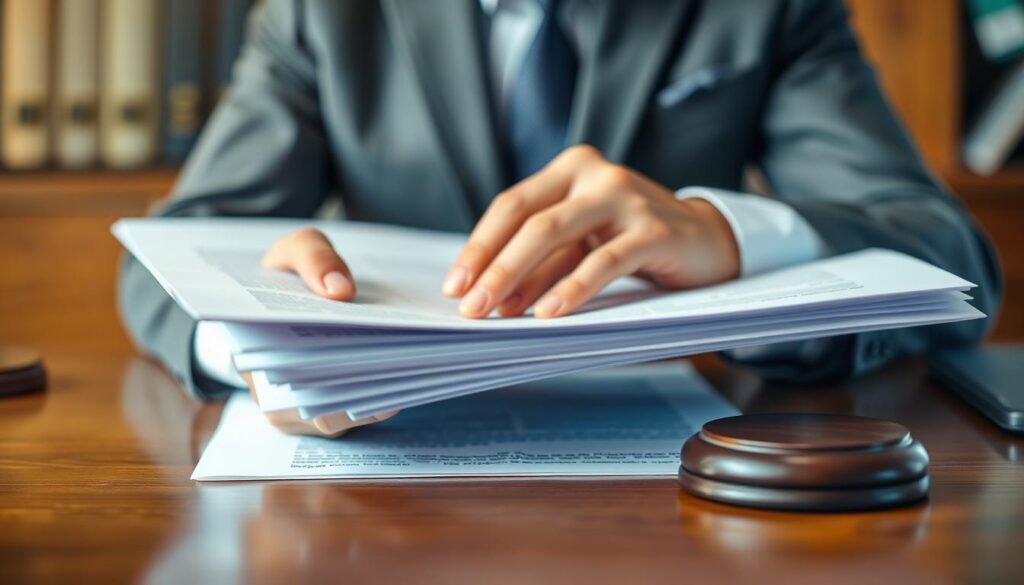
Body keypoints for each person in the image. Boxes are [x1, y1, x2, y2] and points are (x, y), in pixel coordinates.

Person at [119, 0, 1001, 437]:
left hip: (686, 492)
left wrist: (732, 237)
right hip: (381, 490)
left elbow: (951, 251)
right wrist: (262, 341)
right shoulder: (322, 10)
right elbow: (160, 255)